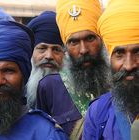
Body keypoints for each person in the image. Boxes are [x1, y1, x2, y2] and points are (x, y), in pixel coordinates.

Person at [36, 0, 111, 138]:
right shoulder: (49, 87)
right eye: (73, 42)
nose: (83, 50)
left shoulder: (120, 81)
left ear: (101, 39)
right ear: (65, 46)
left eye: (90, 38)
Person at [0, 14, 68, 139]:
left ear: (24, 74)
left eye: (8, 70)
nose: (49, 56)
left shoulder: (46, 134)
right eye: (42, 48)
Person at [82, 0, 139, 139]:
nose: (129, 65)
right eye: (119, 53)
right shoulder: (98, 112)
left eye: (138, 52)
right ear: (109, 58)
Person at [26, 11, 64, 108]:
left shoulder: (76, 95)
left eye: (56, 49)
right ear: (31, 51)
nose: (49, 56)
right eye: (42, 48)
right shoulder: (16, 89)